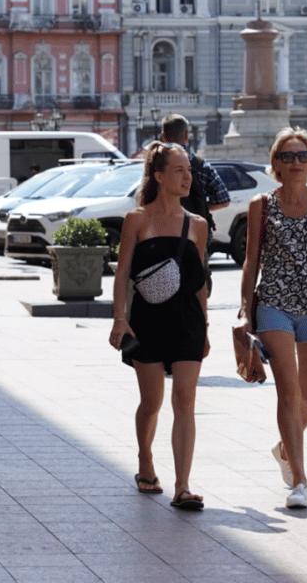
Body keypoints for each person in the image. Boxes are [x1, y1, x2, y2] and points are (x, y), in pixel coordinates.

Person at [237, 127, 307, 510]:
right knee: (288, 390)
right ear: (276, 164)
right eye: (287, 156)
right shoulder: (261, 205)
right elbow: (252, 259)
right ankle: (300, 480)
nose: (296, 162)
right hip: (275, 304)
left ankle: (285, 447)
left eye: (302, 155)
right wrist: (244, 306)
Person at [108, 143, 210, 512]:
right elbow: (122, 275)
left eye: (189, 170)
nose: (188, 177)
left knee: (185, 399)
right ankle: (145, 461)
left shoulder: (197, 225)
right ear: (159, 176)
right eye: (179, 170)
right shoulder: (137, 219)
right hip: (147, 322)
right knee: (151, 402)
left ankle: (182, 486)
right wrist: (120, 318)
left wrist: (207, 327)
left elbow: (198, 281)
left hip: (188, 321)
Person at [159, 114, 230, 291]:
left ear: (163, 136)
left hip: (163, 230)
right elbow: (223, 199)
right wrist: (203, 208)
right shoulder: (200, 165)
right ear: (187, 135)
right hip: (196, 231)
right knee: (198, 279)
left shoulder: (157, 167)